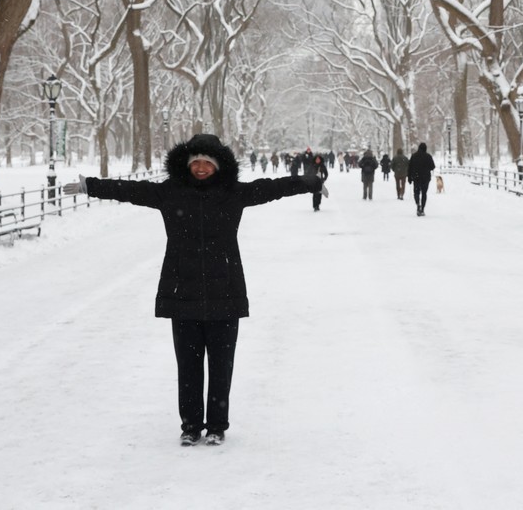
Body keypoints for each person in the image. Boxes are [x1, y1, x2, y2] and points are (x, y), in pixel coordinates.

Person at [61, 133, 326, 448]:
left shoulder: (233, 193)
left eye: (207, 163)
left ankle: (216, 425)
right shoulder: (171, 193)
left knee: (220, 365)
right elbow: (131, 190)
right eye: (196, 162)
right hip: (181, 291)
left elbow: (272, 187)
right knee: (187, 366)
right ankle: (190, 426)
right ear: (187, 165)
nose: (201, 168)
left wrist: (310, 182)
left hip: (225, 290)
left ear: (218, 166)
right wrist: (92, 185)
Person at [407, 142, 435, 216]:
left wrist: (409, 178)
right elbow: (432, 167)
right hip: (425, 178)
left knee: (416, 192)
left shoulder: (414, 156)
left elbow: (410, 168)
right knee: (424, 193)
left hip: (416, 177)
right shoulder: (428, 156)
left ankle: (418, 204)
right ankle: (422, 209)